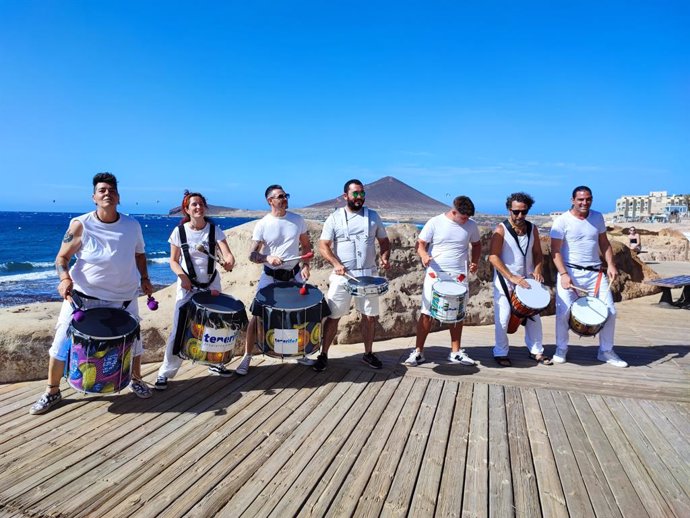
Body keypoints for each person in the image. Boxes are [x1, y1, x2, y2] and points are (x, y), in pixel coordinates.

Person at [30, 173, 155, 415]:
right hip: (82, 299)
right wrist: (65, 278)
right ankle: (52, 391)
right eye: (102, 190)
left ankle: (136, 380)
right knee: (60, 344)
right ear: (94, 197)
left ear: (118, 197)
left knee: (134, 343)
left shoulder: (132, 225)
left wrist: (146, 279)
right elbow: (62, 258)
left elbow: (139, 254)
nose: (107, 193)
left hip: (124, 297)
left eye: (111, 190)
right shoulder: (80, 224)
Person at [154, 191, 236, 389]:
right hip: (187, 287)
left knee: (215, 326)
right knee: (179, 329)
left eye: (200, 204)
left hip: (211, 285)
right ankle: (165, 372)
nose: (197, 207)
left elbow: (227, 254)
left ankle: (215, 362)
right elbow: (173, 261)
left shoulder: (214, 230)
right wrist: (182, 277)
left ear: (204, 207)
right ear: (187, 209)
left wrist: (229, 261)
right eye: (193, 205)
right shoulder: (179, 232)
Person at [234, 184, 312, 375]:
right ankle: (247, 356)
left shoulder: (297, 220)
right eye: (280, 196)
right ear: (270, 201)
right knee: (257, 315)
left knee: (298, 314)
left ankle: (299, 352)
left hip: (293, 274)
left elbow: (307, 248)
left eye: (286, 195)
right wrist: (267, 258)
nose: (284, 199)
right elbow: (252, 255)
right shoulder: (263, 224)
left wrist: (306, 266)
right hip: (270, 277)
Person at [314, 179, 391, 372]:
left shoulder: (373, 217)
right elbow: (323, 245)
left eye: (362, 193)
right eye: (355, 193)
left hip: (368, 275)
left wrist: (384, 257)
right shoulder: (334, 218)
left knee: (369, 316)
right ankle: (323, 354)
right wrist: (336, 264)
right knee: (333, 316)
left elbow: (384, 241)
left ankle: (368, 353)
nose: (359, 197)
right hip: (343, 276)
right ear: (345, 196)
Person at [550, 186, 627, 367]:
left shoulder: (598, 217)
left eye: (588, 199)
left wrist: (611, 265)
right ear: (572, 200)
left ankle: (606, 351)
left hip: (595, 273)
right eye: (580, 200)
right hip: (570, 271)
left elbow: (604, 243)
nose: (585, 203)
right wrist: (563, 274)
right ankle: (561, 348)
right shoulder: (562, 221)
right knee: (563, 313)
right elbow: (554, 250)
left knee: (610, 311)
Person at [406, 195, 480, 366]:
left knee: (458, 313)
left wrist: (475, 261)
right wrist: (424, 256)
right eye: (463, 217)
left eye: (468, 217)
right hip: (436, 274)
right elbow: (421, 243)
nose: (466, 220)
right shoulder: (435, 222)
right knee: (427, 313)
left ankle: (455, 352)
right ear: (454, 211)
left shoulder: (471, 225)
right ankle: (418, 352)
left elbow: (476, 245)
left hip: (459, 275)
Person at [488, 192, 551, 366]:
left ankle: (536, 351)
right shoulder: (501, 229)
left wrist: (538, 270)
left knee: (534, 318)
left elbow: (538, 253)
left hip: (528, 281)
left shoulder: (533, 229)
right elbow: (493, 257)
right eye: (516, 212)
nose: (519, 216)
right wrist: (511, 277)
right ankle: (500, 352)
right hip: (506, 281)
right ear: (509, 210)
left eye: (523, 212)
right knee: (503, 317)